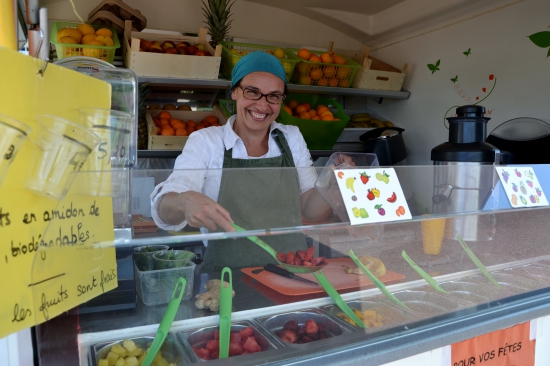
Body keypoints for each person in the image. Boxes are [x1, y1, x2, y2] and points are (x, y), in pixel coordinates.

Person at [150, 51, 331, 272]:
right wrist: (184, 200)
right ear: (234, 91)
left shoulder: (291, 137)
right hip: (228, 280)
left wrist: (337, 182)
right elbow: (164, 208)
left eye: (273, 96)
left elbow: (310, 209)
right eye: (252, 92)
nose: (263, 106)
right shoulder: (206, 142)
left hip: (291, 271)